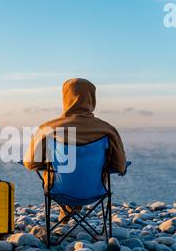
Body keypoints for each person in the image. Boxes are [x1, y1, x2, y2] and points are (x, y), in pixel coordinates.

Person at [23, 78, 127, 223]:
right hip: (94, 191)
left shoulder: (48, 128)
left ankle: (65, 212)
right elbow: (120, 166)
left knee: (58, 171)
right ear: (92, 98)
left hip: (59, 190)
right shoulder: (107, 129)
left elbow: (30, 164)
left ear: (65, 98)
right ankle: (72, 211)